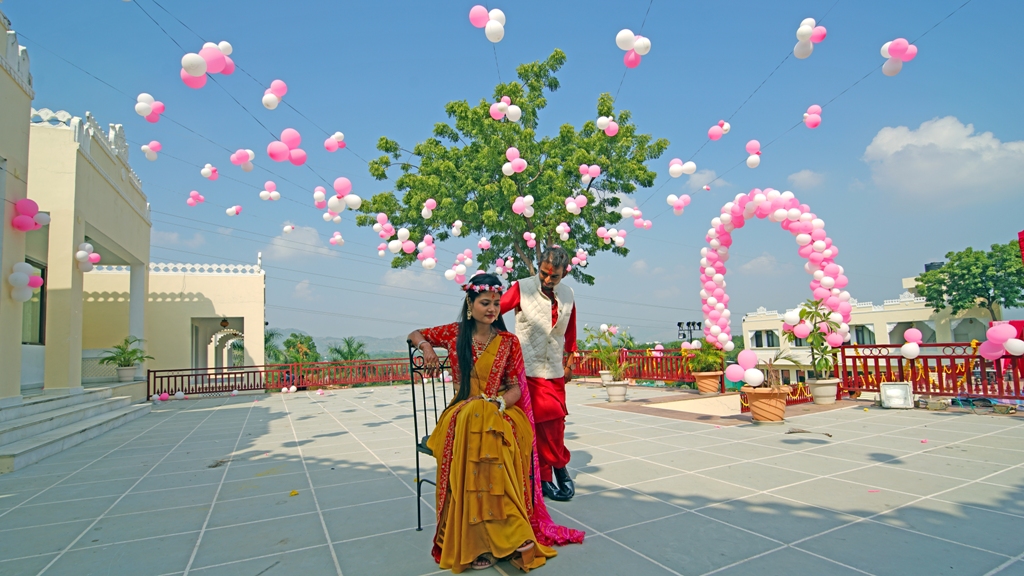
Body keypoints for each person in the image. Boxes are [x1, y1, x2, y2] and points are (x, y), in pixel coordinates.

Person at [409, 274, 583, 573]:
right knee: (476, 421)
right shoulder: (454, 334)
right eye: (485, 303)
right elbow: (415, 333)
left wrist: (501, 403)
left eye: (496, 303)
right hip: (462, 411)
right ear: (470, 303)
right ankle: (487, 538)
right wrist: (426, 348)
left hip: (502, 409)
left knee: (491, 430)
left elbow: (515, 387)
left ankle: (503, 532)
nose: (492, 309)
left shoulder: (508, 341)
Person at [499, 247, 577, 502]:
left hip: (554, 369)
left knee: (556, 423)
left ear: (564, 274)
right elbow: (493, 311)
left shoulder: (568, 294)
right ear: (540, 266)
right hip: (529, 369)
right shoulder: (521, 287)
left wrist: (570, 362)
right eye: (544, 273)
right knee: (545, 420)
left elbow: (570, 331)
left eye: (553, 277)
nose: (547, 280)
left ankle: (547, 476)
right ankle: (557, 469)